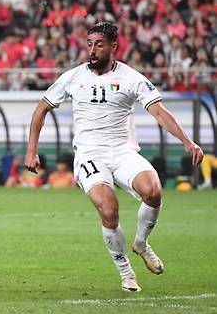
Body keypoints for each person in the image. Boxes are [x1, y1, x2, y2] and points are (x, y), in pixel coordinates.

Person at [24, 22, 204, 292]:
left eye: (99, 44)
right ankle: (126, 272)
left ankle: (141, 243)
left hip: (123, 151)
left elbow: (160, 112)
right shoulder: (73, 77)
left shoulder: (132, 78)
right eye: (89, 44)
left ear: (113, 46)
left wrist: (187, 142)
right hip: (89, 154)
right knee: (108, 209)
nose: (92, 50)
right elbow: (41, 109)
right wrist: (31, 150)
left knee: (153, 191)